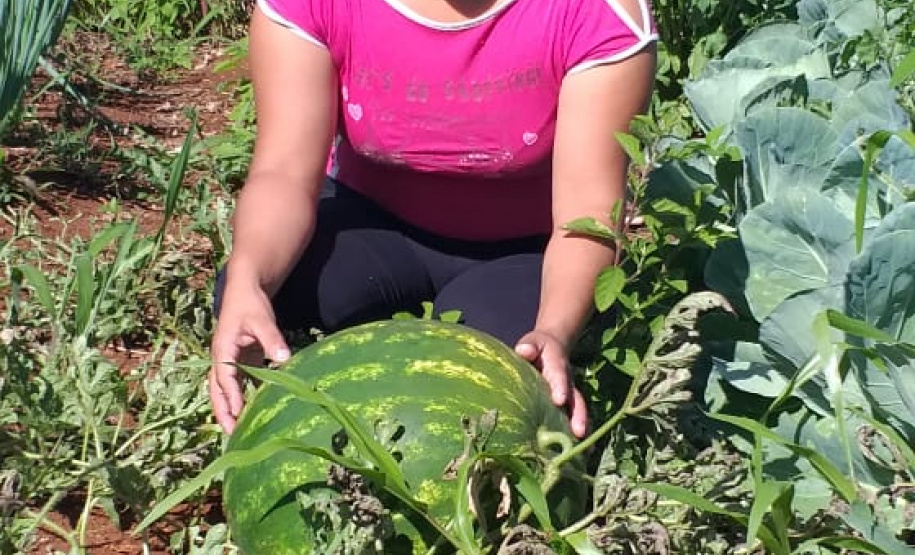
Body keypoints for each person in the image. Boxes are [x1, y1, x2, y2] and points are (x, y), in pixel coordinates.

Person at [208, 0, 658, 439]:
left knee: (500, 369)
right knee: (268, 293)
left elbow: (587, 213)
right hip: (372, 221)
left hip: (524, 249)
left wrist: (554, 328)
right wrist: (250, 279)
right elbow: (282, 173)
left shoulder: (595, 12)